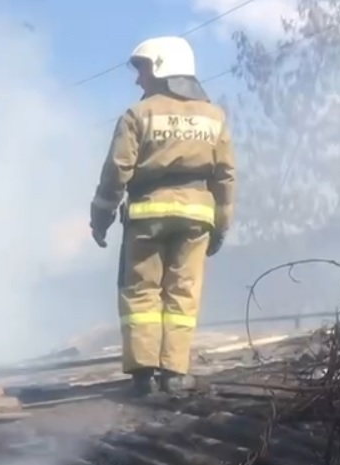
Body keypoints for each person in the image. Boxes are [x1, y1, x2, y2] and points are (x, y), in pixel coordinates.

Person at [89, 35, 237, 395]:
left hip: (147, 215)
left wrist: (101, 216)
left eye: (142, 70)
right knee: (183, 294)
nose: (138, 80)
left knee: (141, 293)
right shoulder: (215, 117)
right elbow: (225, 175)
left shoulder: (138, 114)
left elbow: (117, 169)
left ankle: (143, 376)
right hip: (196, 217)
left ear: (161, 67)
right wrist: (222, 224)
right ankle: (175, 373)